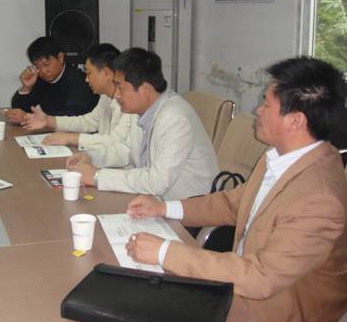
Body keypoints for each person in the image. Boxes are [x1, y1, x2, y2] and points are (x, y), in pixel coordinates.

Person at [125, 56, 347, 322]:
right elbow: (235, 203)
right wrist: (164, 208)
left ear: (295, 121)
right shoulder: (279, 156)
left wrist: (165, 252)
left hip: (273, 309)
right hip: (241, 283)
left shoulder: (319, 199)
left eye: (266, 104)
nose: (258, 110)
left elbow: (261, 277)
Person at [67, 47, 218, 200]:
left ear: (145, 89)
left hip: (187, 206)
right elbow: (127, 150)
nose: (116, 95)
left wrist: (97, 176)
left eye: (120, 88)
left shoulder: (175, 119)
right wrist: (91, 157)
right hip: (155, 200)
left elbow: (157, 181)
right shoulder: (142, 109)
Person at [21, 43, 132, 150]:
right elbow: (89, 121)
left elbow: (117, 141)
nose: (86, 79)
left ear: (106, 73)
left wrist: (72, 138)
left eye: (89, 73)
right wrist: (48, 120)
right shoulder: (106, 96)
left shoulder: (130, 103)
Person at [6, 37, 98, 124]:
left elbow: (71, 117)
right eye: (37, 66)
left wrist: (29, 117)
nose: (43, 71)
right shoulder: (40, 79)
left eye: (46, 64)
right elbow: (18, 111)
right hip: (52, 132)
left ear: (60, 57)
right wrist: (26, 87)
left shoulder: (79, 81)